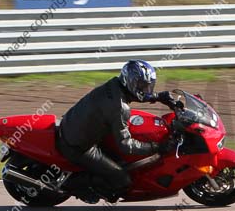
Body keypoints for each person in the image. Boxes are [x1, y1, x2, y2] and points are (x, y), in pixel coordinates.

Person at [56, 60, 177, 202]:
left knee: (121, 160)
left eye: (148, 86)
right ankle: (71, 184)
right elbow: (126, 145)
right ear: (131, 82)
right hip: (78, 146)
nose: (146, 89)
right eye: (143, 86)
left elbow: (133, 94)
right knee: (123, 179)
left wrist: (157, 96)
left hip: (76, 125)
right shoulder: (119, 108)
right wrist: (157, 147)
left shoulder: (115, 85)